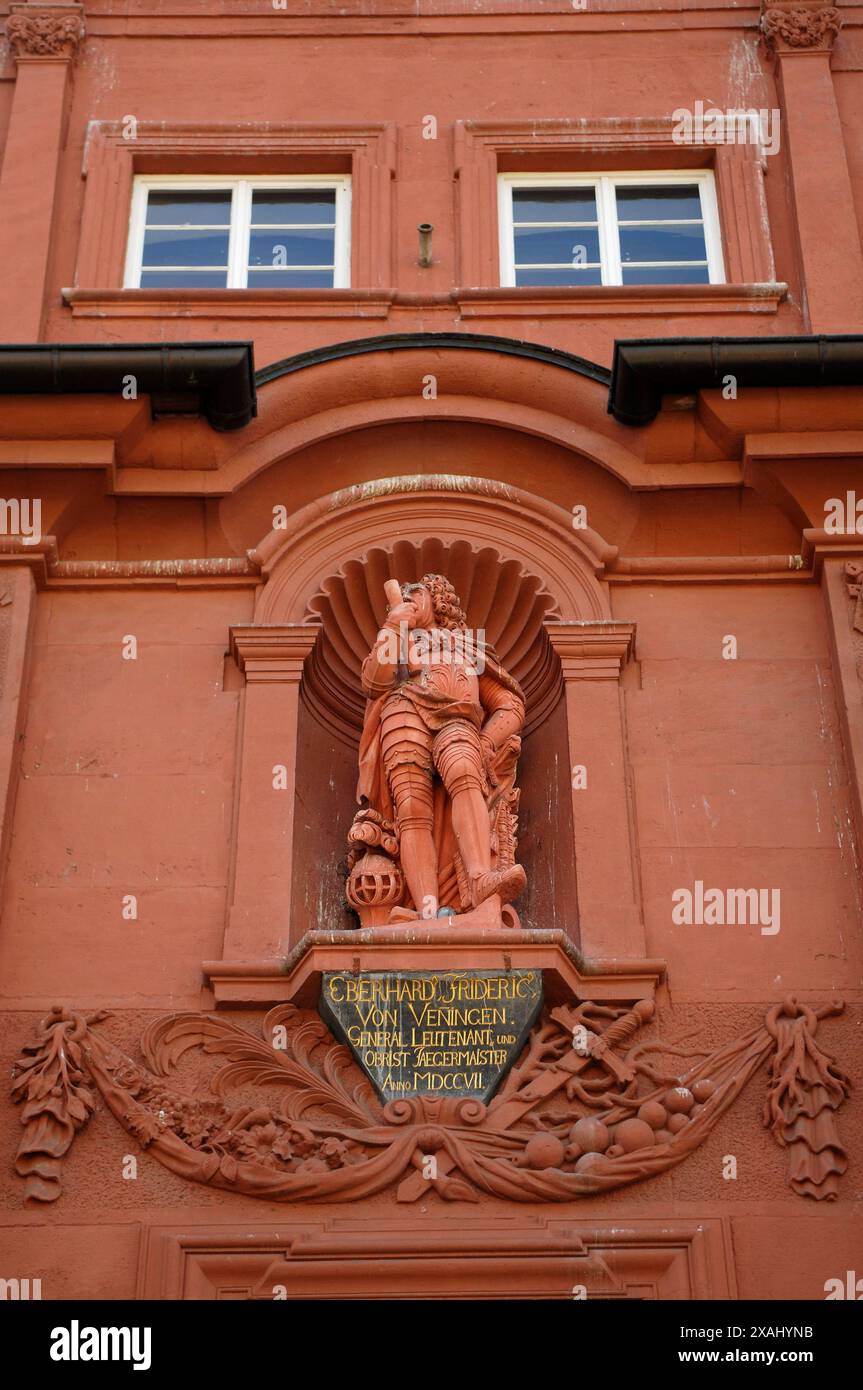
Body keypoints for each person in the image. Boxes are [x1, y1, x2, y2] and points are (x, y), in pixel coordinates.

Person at [355, 573, 527, 919]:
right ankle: (427, 911)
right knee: (411, 807)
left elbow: (509, 703)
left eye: (415, 592)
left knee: (465, 771)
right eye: (404, 595)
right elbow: (375, 681)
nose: (408, 597)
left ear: (437, 598)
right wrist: (393, 626)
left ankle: (480, 878)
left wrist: (486, 741)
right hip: (402, 715)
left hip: (458, 719)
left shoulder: (467, 646)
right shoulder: (397, 638)